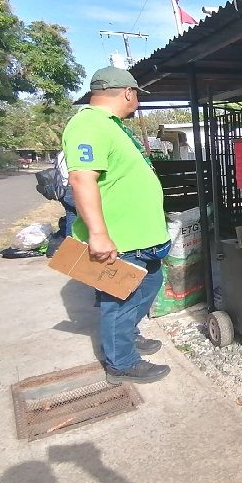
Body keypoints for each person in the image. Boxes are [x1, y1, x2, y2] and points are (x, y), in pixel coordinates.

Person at [62, 66, 171, 384]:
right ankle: (121, 361)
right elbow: (82, 179)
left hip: (142, 237)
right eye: (136, 94)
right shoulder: (88, 124)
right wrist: (98, 234)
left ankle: (125, 336)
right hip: (119, 239)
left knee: (148, 286)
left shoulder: (110, 126)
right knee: (120, 299)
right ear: (127, 92)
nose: (136, 100)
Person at [54, 151, 77, 238]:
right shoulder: (74, 152)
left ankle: (70, 246)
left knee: (71, 217)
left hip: (65, 188)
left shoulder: (61, 154)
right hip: (74, 188)